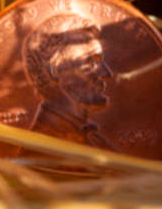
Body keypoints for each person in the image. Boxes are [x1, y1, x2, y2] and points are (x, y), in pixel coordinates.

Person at [22, 14, 117, 150]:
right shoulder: (43, 147)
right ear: (54, 72)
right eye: (90, 62)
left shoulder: (94, 139)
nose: (106, 73)